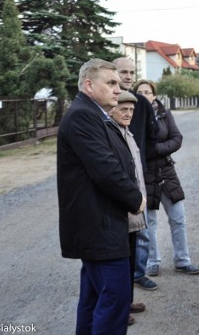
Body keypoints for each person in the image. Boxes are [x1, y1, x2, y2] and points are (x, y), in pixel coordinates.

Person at [57, 59, 146, 334]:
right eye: (111, 83)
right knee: (115, 298)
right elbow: (105, 169)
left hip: (101, 224)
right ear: (88, 85)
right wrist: (136, 199)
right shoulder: (83, 116)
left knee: (94, 298)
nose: (118, 90)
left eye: (118, 84)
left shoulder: (94, 114)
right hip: (99, 227)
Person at [134, 79, 199, 277]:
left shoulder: (164, 113)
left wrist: (157, 149)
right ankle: (152, 262)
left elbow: (177, 139)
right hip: (145, 175)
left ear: (154, 95)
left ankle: (182, 260)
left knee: (178, 218)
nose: (144, 95)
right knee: (149, 223)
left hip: (166, 172)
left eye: (148, 91)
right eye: (140, 92)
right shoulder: (132, 115)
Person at [113, 57, 159, 294]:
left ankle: (137, 275)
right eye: (123, 71)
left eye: (132, 71)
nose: (128, 76)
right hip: (113, 175)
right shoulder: (106, 102)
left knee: (140, 229)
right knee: (119, 235)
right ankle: (122, 293)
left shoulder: (142, 102)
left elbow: (154, 136)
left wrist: (142, 162)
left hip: (137, 174)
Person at [109, 90, 148, 327]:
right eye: (123, 109)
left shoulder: (128, 132)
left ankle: (128, 301)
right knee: (121, 264)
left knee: (131, 260)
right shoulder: (112, 134)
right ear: (112, 109)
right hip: (122, 210)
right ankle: (120, 310)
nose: (128, 113)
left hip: (134, 208)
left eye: (131, 110)